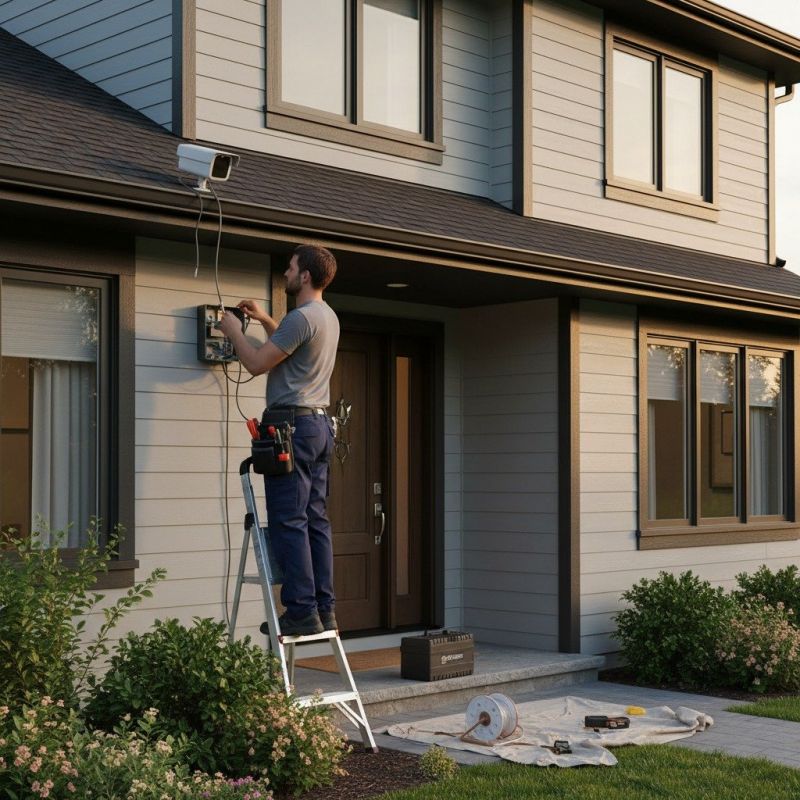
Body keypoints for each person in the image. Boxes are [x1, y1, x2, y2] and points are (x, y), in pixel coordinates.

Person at [219, 244, 340, 636]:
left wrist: (234, 330)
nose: (286, 273)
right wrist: (265, 318)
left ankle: (301, 611)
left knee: (290, 520)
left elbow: (256, 363)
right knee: (316, 521)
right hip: (319, 426)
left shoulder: (301, 317)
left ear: (304, 276)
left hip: (291, 426)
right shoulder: (325, 316)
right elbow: (288, 348)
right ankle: (324, 607)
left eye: (290, 268)